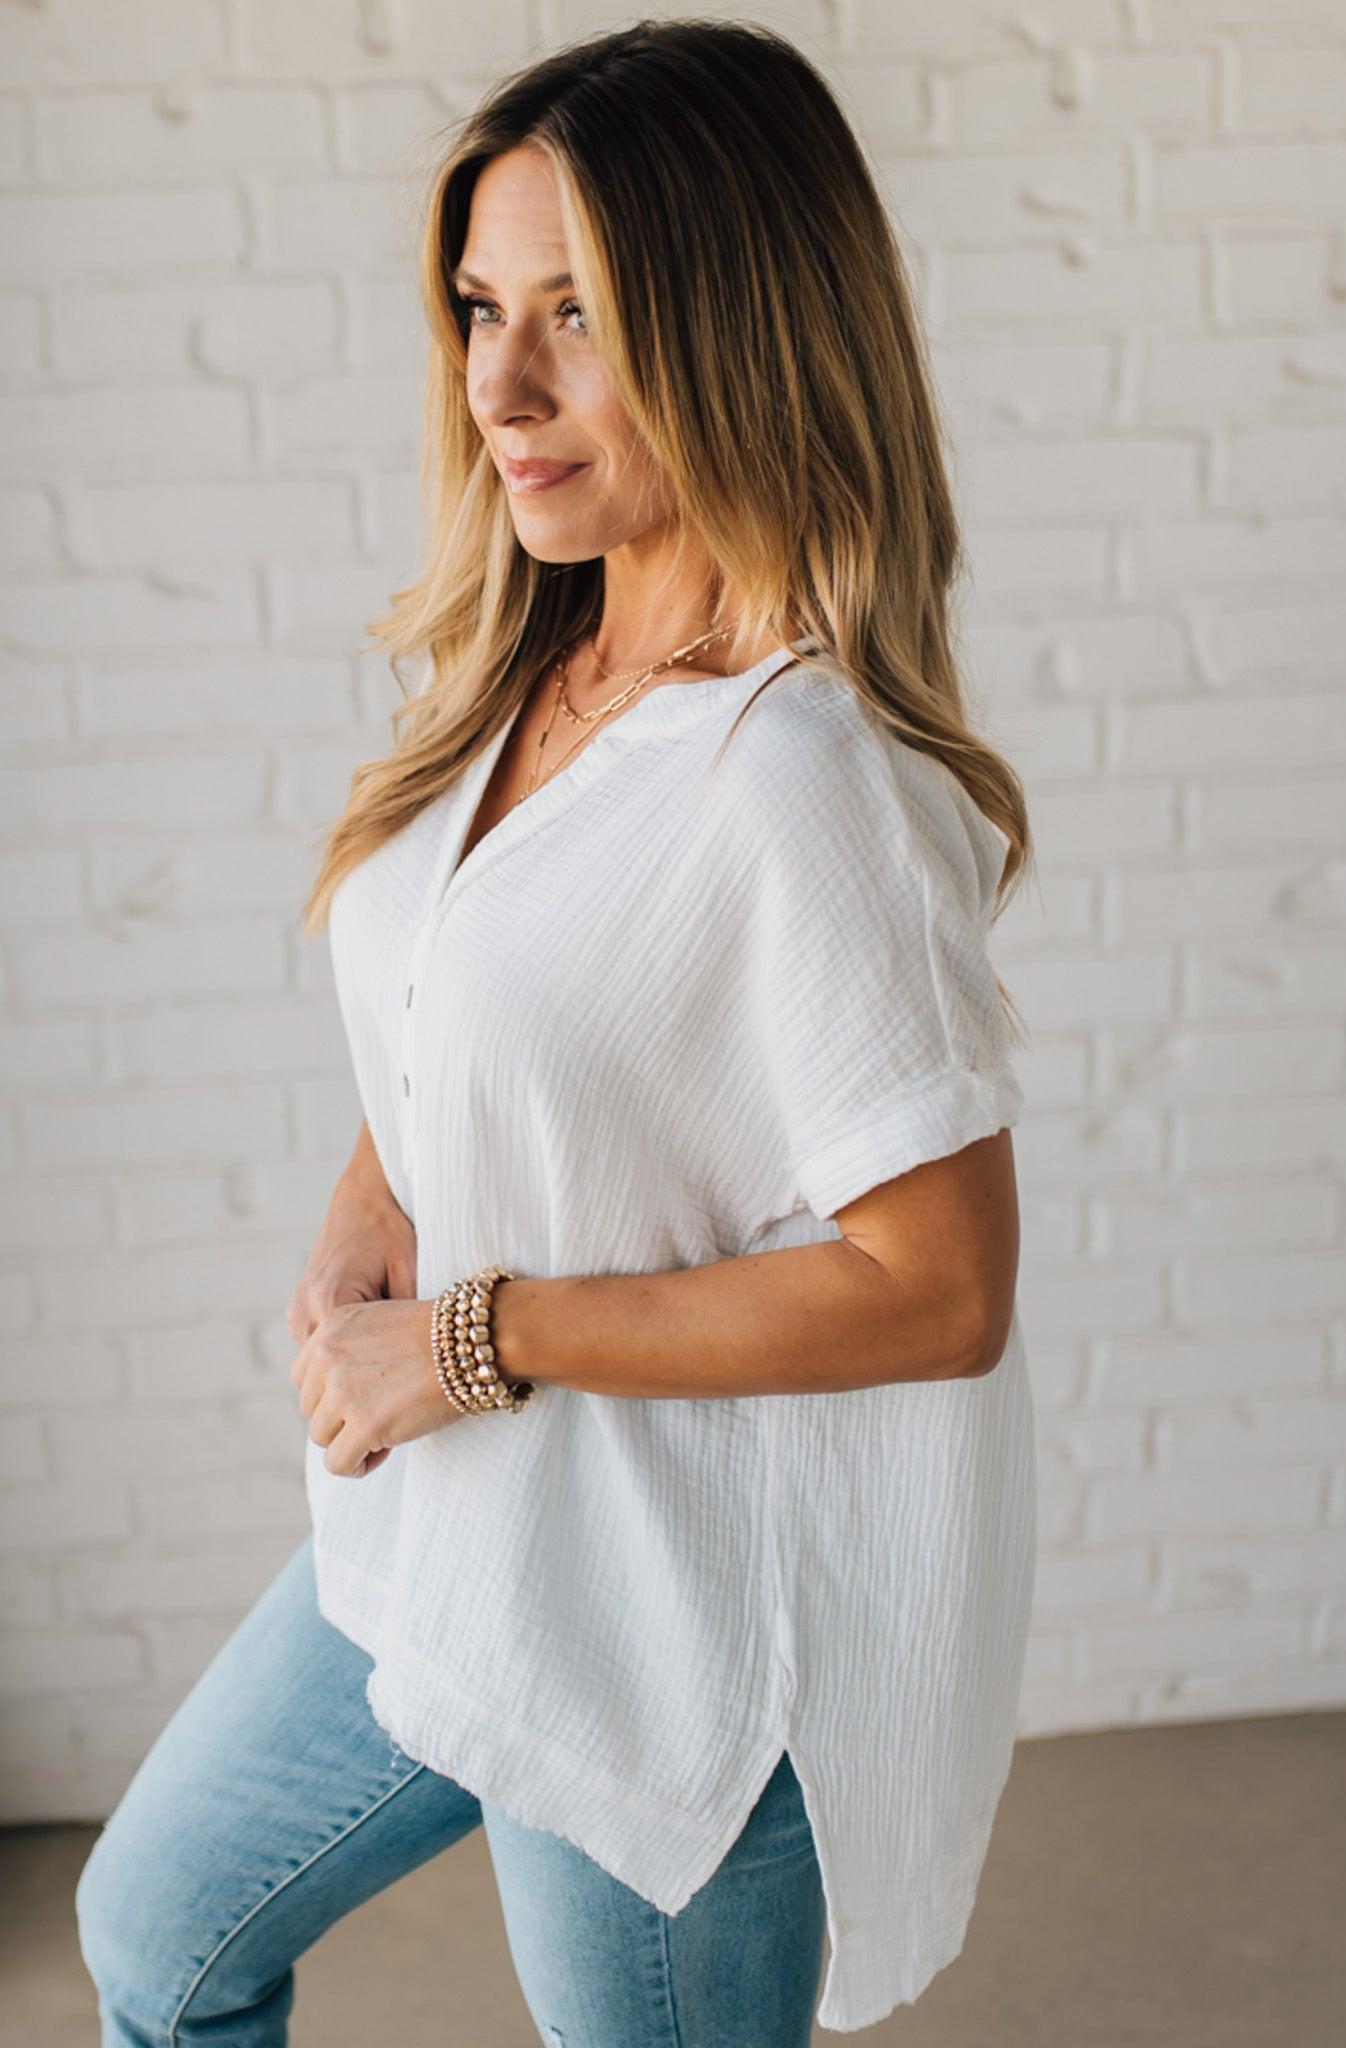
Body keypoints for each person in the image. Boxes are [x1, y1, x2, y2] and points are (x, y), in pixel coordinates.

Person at [75, 18, 1038, 2044]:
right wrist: (373, 1202)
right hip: (444, 1534)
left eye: (575, 315)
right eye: (477, 307)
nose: (495, 385)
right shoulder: (538, 658)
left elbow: (940, 1287)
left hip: (656, 1622)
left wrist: (467, 1338)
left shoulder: (798, 778)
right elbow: (487, 1002)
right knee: (157, 1936)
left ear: (739, 327)